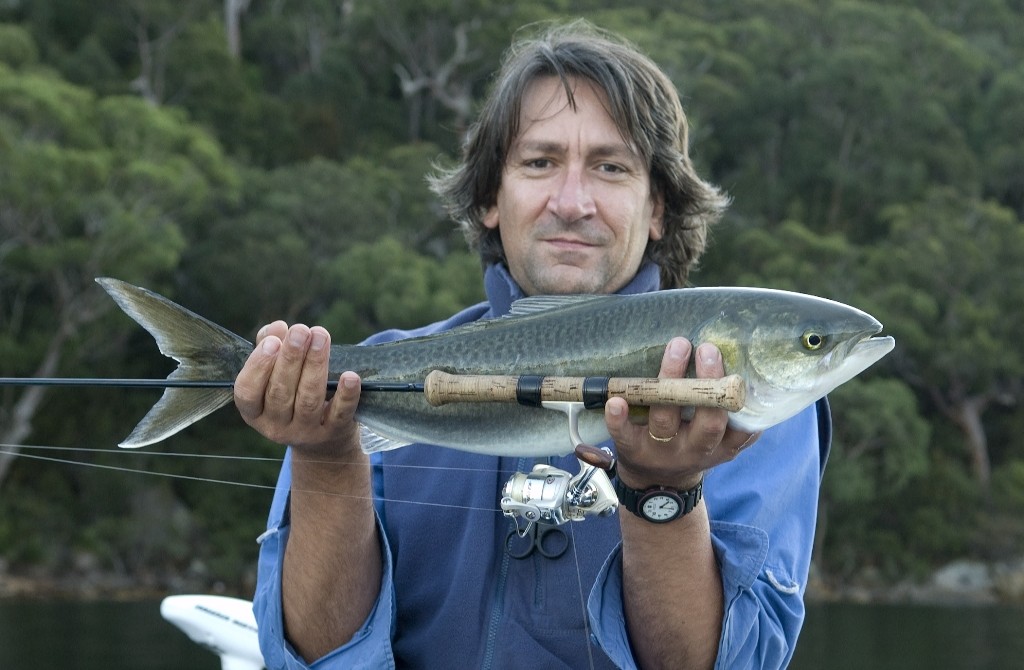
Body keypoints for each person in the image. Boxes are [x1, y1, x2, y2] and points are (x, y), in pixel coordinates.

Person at [234, 19, 829, 670]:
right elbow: (315, 659)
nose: (572, 202)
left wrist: (666, 492)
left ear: (658, 207)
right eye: (540, 162)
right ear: (490, 195)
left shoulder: (752, 399)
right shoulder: (361, 380)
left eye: (610, 166)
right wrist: (325, 457)